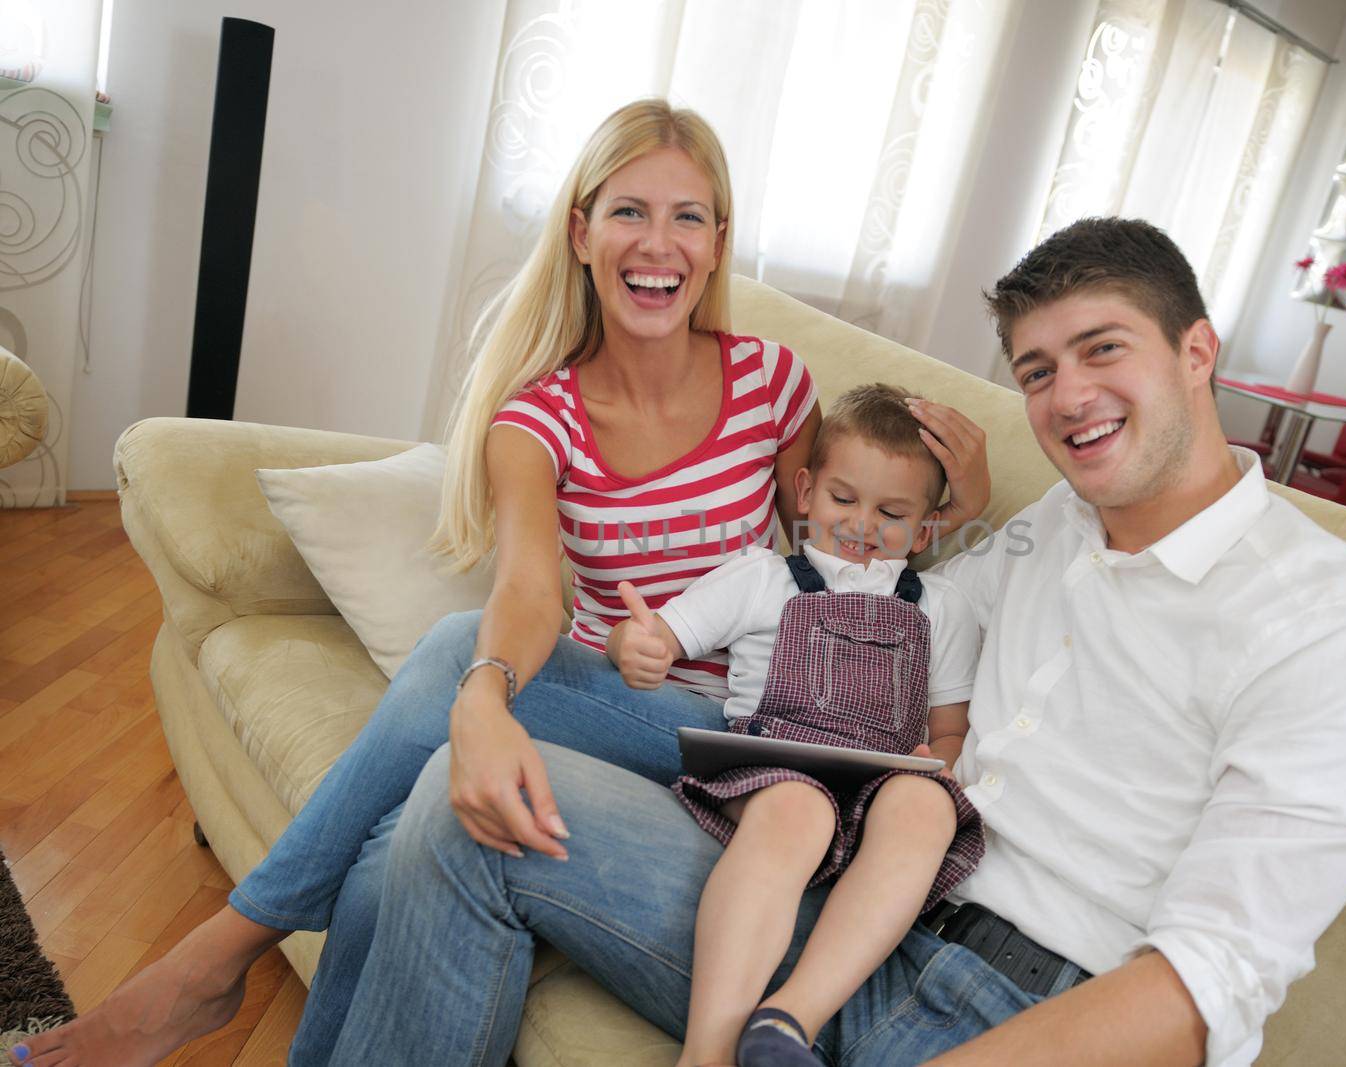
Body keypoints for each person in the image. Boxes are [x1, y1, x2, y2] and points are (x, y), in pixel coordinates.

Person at [317, 216, 1346, 1066]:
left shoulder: (1335, 630)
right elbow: (896, 614)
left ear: (1197, 350)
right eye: (1038, 369)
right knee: (475, 808)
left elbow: (1204, 985)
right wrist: (941, 519)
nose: (1068, 397)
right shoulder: (1056, 521)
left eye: (1104, 350)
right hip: (844, 911)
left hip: (1022, 1006)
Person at [4, 100, 992, 1067]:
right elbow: (530, 589)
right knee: (396, 840)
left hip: (745, 736)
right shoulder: (537, 414)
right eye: (629, 211)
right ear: (581, 230)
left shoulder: (772, 383)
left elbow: (848, 550)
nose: (659, 243)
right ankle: (219, 976)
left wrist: (962, 506)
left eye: (688, 215)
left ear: (719, 239)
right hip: (615, 702)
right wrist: (489, 689)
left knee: (449, 656)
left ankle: (209, 960)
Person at [608, 384, 985, 1066]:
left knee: (930, 804)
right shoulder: (762, 578)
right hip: (772, 769)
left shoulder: (943, 606)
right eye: (844, 499)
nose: (863, 523)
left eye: (892, 511)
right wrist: (635, 646)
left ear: (927, 528)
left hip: (876, 788)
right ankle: (708, 1051)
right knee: (799, 808)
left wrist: (943, 759)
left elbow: (949, 726)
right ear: (805, 492)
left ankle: (786, 1025)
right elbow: (658, 631)